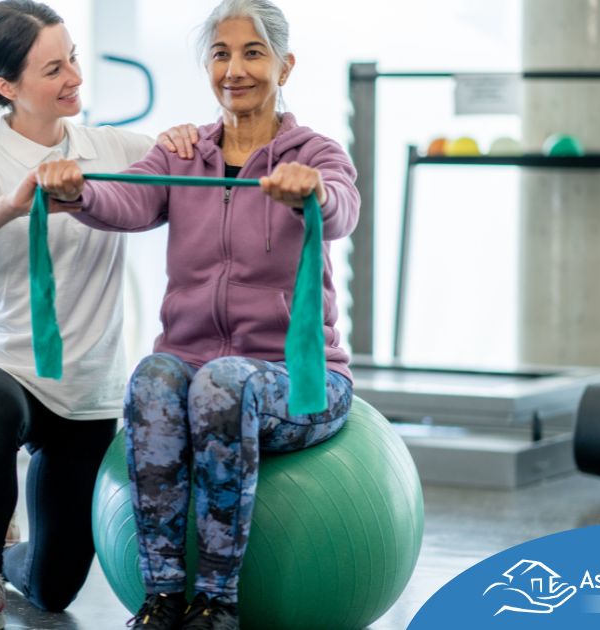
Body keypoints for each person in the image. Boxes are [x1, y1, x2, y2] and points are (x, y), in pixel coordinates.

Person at [35, 1, 358, 628]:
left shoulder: (315, 153)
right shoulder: (182, 154)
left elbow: (344, 207)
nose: (235, 69)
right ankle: (161, 598)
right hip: (196, 370)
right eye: (220, 53)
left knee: (220, 385)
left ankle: (217, 603)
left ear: (285, 65)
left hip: (299, 383)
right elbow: (124, 196)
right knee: (155, 377)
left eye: (253, 52)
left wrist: (311, 191)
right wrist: (77, 191)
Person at [0, 2, 196, 629]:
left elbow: (185, 163)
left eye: (73, 57)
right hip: (8, 368)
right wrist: (12, 203)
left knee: (54, 591)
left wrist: (189, 140)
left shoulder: (110, 147)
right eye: (54, 68)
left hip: (87, 391)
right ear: (7, 87)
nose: (75, 76)